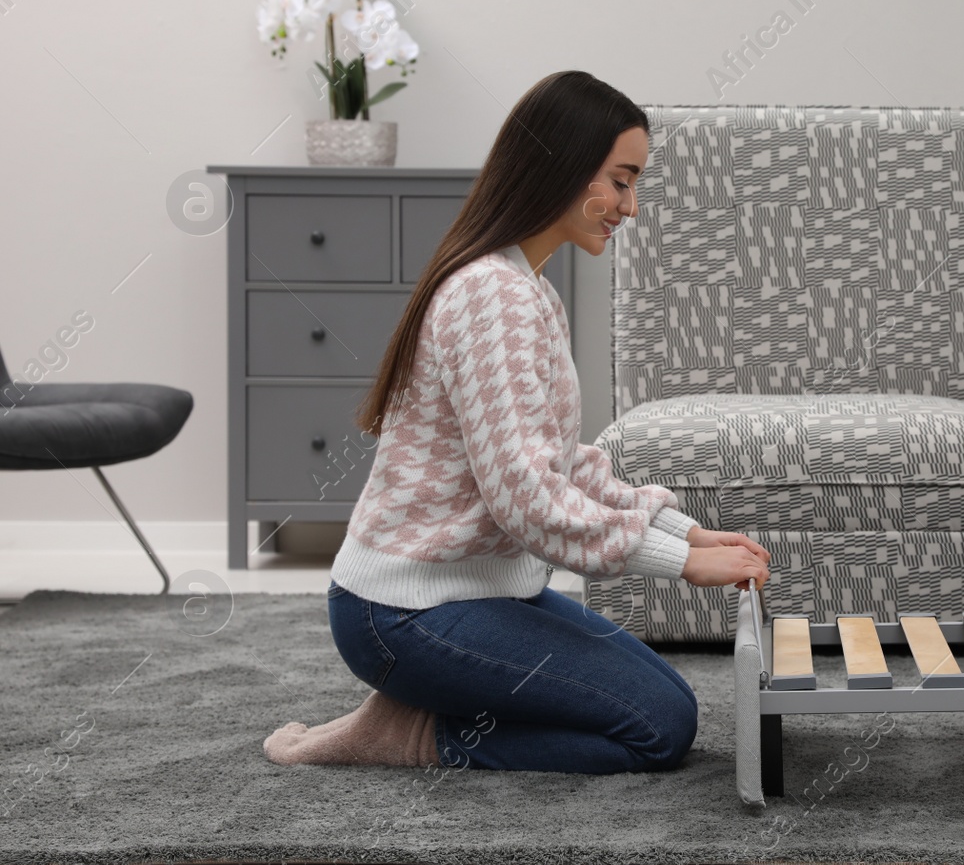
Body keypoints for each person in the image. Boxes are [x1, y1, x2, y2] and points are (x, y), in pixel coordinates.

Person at [263, 71, 771, 774]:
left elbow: (560, 461)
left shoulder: (524, 288)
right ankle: (411, 735)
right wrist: (680, 563)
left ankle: (424, 702)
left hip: (473, 591)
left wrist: (679, 527)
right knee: (659, 725)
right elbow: (529, 498)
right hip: (403, 613)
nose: (630, 205)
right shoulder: (491, 297)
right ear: (562, 163)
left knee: (664, 696)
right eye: (621, 180)